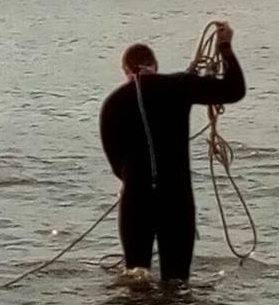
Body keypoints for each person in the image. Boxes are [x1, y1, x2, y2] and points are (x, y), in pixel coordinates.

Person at [99, 21, 245, 281]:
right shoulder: (179, 85)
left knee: (136, 278)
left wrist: (135, 179)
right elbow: (234, 90)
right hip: (176, 200)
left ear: (125, 70)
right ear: (155, 65)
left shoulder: (113, 102)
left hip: (136, 200)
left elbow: (116, 164)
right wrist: (225, 47)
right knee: (176, 282)